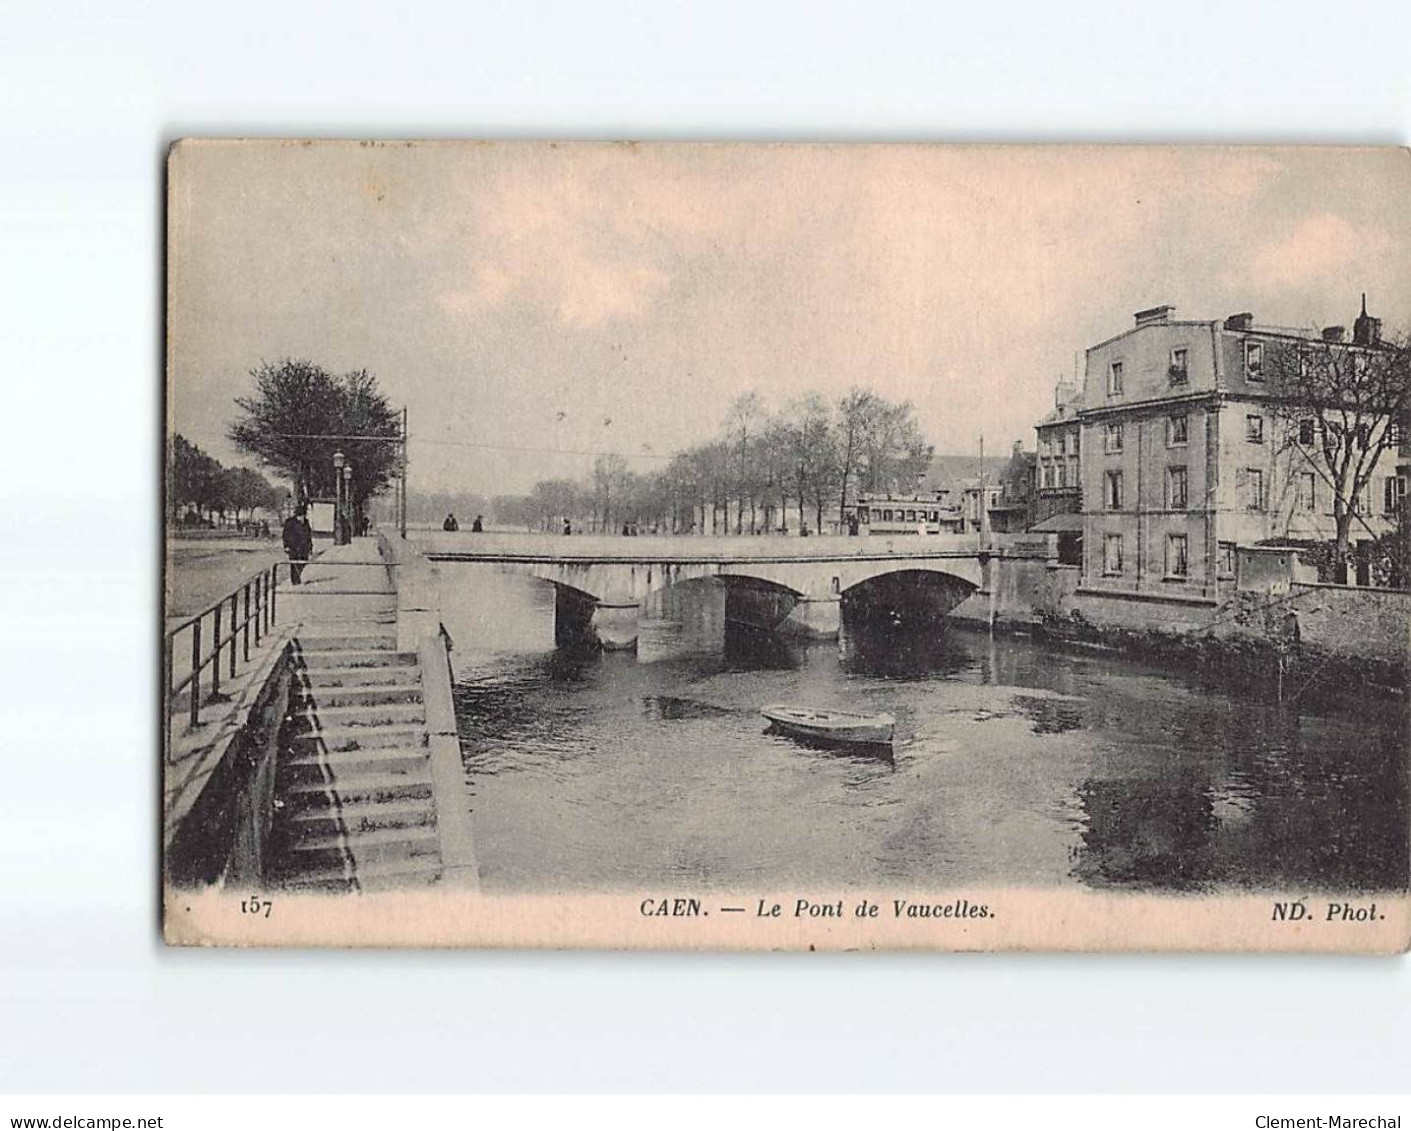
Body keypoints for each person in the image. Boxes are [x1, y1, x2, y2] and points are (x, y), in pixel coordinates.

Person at [282, 506, 313, 585]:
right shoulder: (290, 522)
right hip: (293, 547)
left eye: (303, 515)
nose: (302, 517)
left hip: (304, 548)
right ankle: (295, 581)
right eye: (300, 515)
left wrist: (310, 547)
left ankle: (298, 577)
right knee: (294, 564)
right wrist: (286, 546)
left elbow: (309, 535)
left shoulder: (306, 522)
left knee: (303, 562)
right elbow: (285, 535)